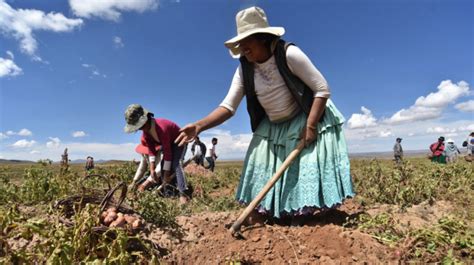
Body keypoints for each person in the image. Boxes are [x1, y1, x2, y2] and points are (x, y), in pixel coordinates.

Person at [175, 7, 354, 221]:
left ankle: (305, 215)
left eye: (247, 45)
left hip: (305, 116)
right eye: (241, 47)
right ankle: (267, 213)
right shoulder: (245, 69)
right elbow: (228, 107)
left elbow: (322, 89)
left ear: (262, 38)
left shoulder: (289, 54)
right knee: (260, 168)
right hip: (272, 126)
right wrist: (199, 126)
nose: (243, 51)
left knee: (303, 170)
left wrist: (311, 126)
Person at [124, 104, 189, 204]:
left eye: (140, 126)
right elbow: (151, 151)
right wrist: (152, 168)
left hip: (179, 142)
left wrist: (167, 173)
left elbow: (168, 152)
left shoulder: (162, 128)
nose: (140, 129)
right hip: (167, 145)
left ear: (145, 120)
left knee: (176, 164)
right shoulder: (146, 134)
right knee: (163, 166)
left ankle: (183, 194)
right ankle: (168, 193)